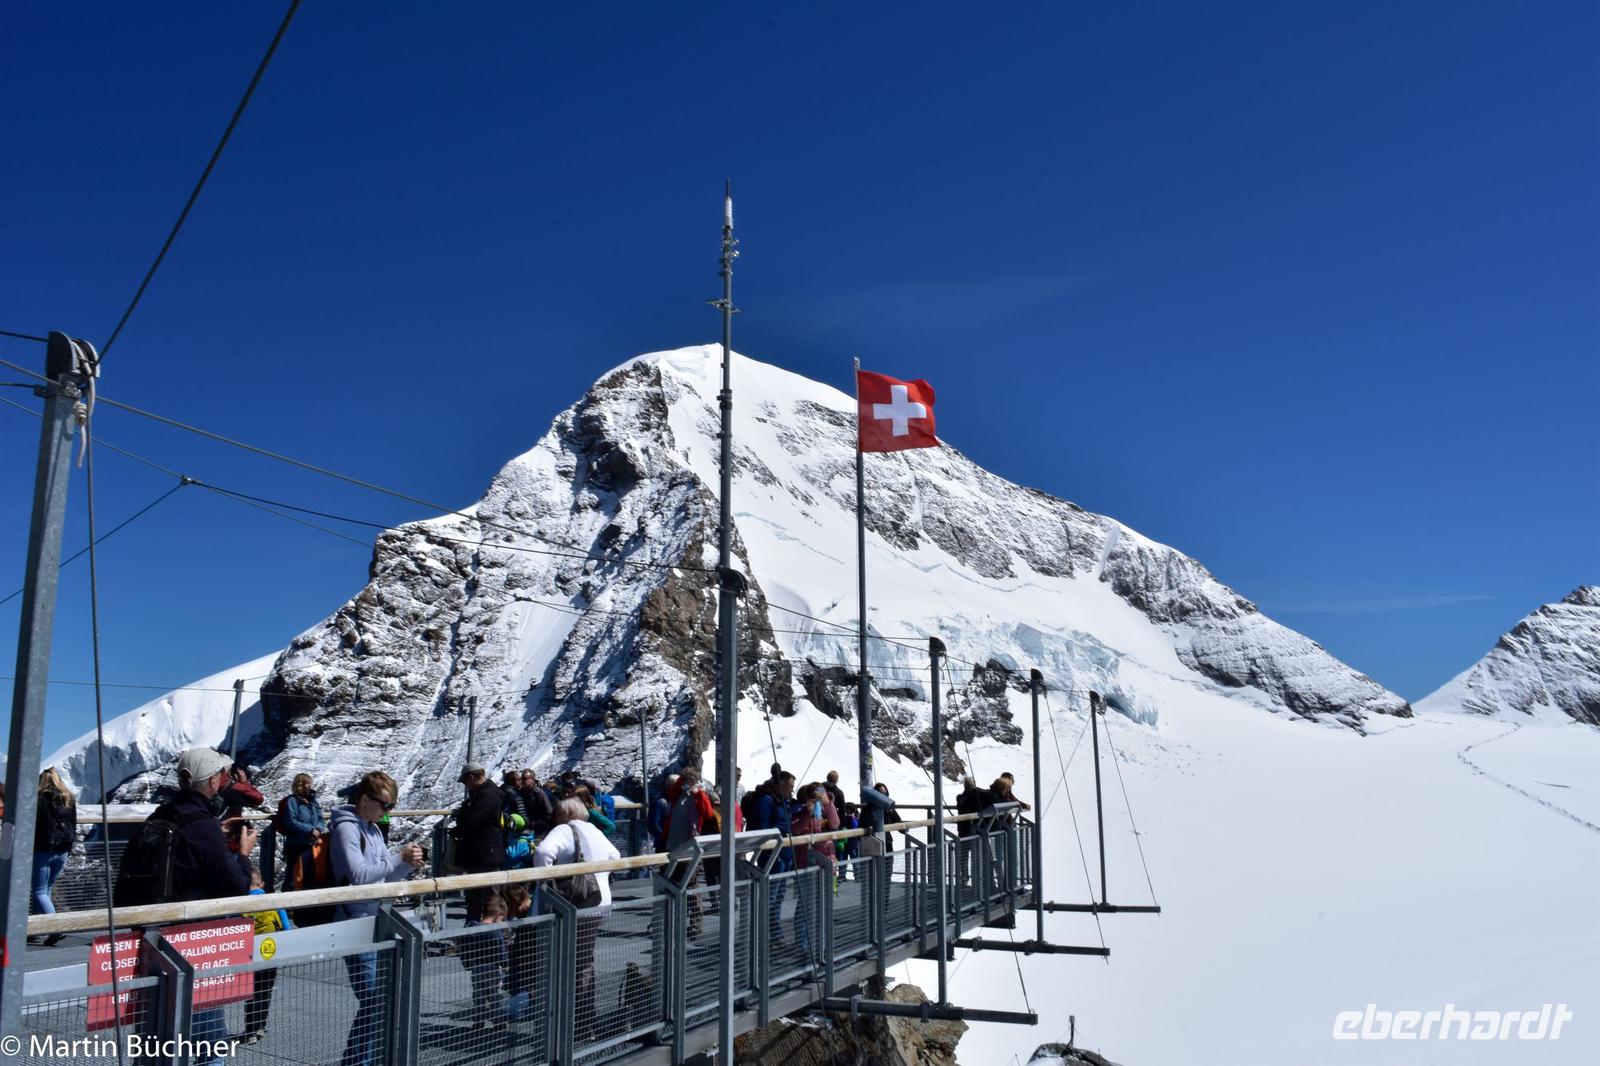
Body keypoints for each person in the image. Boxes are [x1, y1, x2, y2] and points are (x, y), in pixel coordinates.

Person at [118, 749, 255, 1066]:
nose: (225, 782)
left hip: (151, 940)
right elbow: (235, 885)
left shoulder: (162, 815)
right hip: (192, 945)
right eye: (223, 776)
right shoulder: (203, 826)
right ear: (211, 781)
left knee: (155, 1042)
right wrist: (243, 855)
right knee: (210, 1044)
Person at [330, 771, 425, 1066]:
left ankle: (361, 1059)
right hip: (354, 916)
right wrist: (398, 859)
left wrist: (407, 865)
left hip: (373, 914)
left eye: (390, 807)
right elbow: (358, 875)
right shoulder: (348, 828)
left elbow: (384, 874)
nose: (387, 813)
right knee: (375, 996)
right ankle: (357, 1061)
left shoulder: (371, 828)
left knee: (379, 996)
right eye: (384, 805)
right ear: (364, 799)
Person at [535, 798, 621, 1040]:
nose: (556, 818)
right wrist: (600, 877)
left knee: (566, 963)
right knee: (584, 963)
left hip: (573, 905)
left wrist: (547, 884)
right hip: (598, 902)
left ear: (568, 813)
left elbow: (543, 852)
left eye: (558, 814)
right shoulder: (593, 829)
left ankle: (572, 1025)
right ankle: (585, 1023)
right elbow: (615, 855)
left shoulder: (564, 829)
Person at [239, 865, 293, 1045]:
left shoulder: (243, 904)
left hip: (251, 956)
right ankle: (261, 1024)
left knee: (251, 992)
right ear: (262, 883)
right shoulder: (273, 901)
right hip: (271, 953)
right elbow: (286, 927)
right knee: (265, 990)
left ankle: (250, 1029)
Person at [663, 769, 717, 936]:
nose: (686, 782)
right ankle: (673, 922)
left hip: (689, 847)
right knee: (671, 885)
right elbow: (671, 791)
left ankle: (696, 924)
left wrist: (698, 793)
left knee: (691, 886)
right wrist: (681, 783)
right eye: (684, 779)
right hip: (673, 846)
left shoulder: (697, 796)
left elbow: (708, 813)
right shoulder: (678, 795)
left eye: (689, 780)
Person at [788, 783, 839, 955]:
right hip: (806, 864)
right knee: (805, 906)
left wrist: (828, 804)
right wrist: (807, 814)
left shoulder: (825, 809)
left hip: (825, 862)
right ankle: (803, 945)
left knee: (823, 905)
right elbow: (794, 829)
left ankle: (821, 944)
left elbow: (835, 824)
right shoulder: (799, 810)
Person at [454, 764, 504, 923]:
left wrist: (463, 812)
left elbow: (472, 820)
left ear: (471, 777)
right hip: (481, 853)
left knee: (490, 900)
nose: (465, 785)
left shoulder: (487, 796)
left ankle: (497, 937)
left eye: (465, 781)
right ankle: (472, 936)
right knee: (475, 899)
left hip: (485, 854)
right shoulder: (484, 794)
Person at [749, 772, 795, 943]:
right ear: (781, 784)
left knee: (778, 897)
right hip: (772, 856)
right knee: (770, 897)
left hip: (783, 855)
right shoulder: (766, 801)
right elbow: (763, 828)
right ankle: (760, 933)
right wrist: (781, 833)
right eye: (790, 786)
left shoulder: (783, 802)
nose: (792, 790)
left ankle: (774, 933)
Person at [32, 768, 76, 922]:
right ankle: (39, 930)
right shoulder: (68, 798)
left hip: (43, 850)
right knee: (46, 889)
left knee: (38, 891)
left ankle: (54, 927)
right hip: (62, 850)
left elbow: (35, 825)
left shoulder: (40, 799)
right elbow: (73, 824)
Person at [278, 773, 325, 890]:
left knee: (309, 876)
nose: (311, 786)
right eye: (308, 783)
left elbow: (320, 818)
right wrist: (310, 830)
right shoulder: (292, 801)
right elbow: (291, 822)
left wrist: (318, 829)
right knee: (293, 877)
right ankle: (287, 906)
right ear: (301, 785)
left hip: (311, 844)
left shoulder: (313, 801)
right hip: (296, 845)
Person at [519, 770, 555, 834]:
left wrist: (537, 824)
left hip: (539, 830)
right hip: (525, 828)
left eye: (525, 778)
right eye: (522, 779)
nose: (523, 781)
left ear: (532, 780)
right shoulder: (521, 792)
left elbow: (549, 812)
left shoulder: (539, 793)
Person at [648, 774, 677, 850]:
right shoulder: (660, 803)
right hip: (664, 844)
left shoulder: (678, 802)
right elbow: (653, 825)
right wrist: (665, 836)